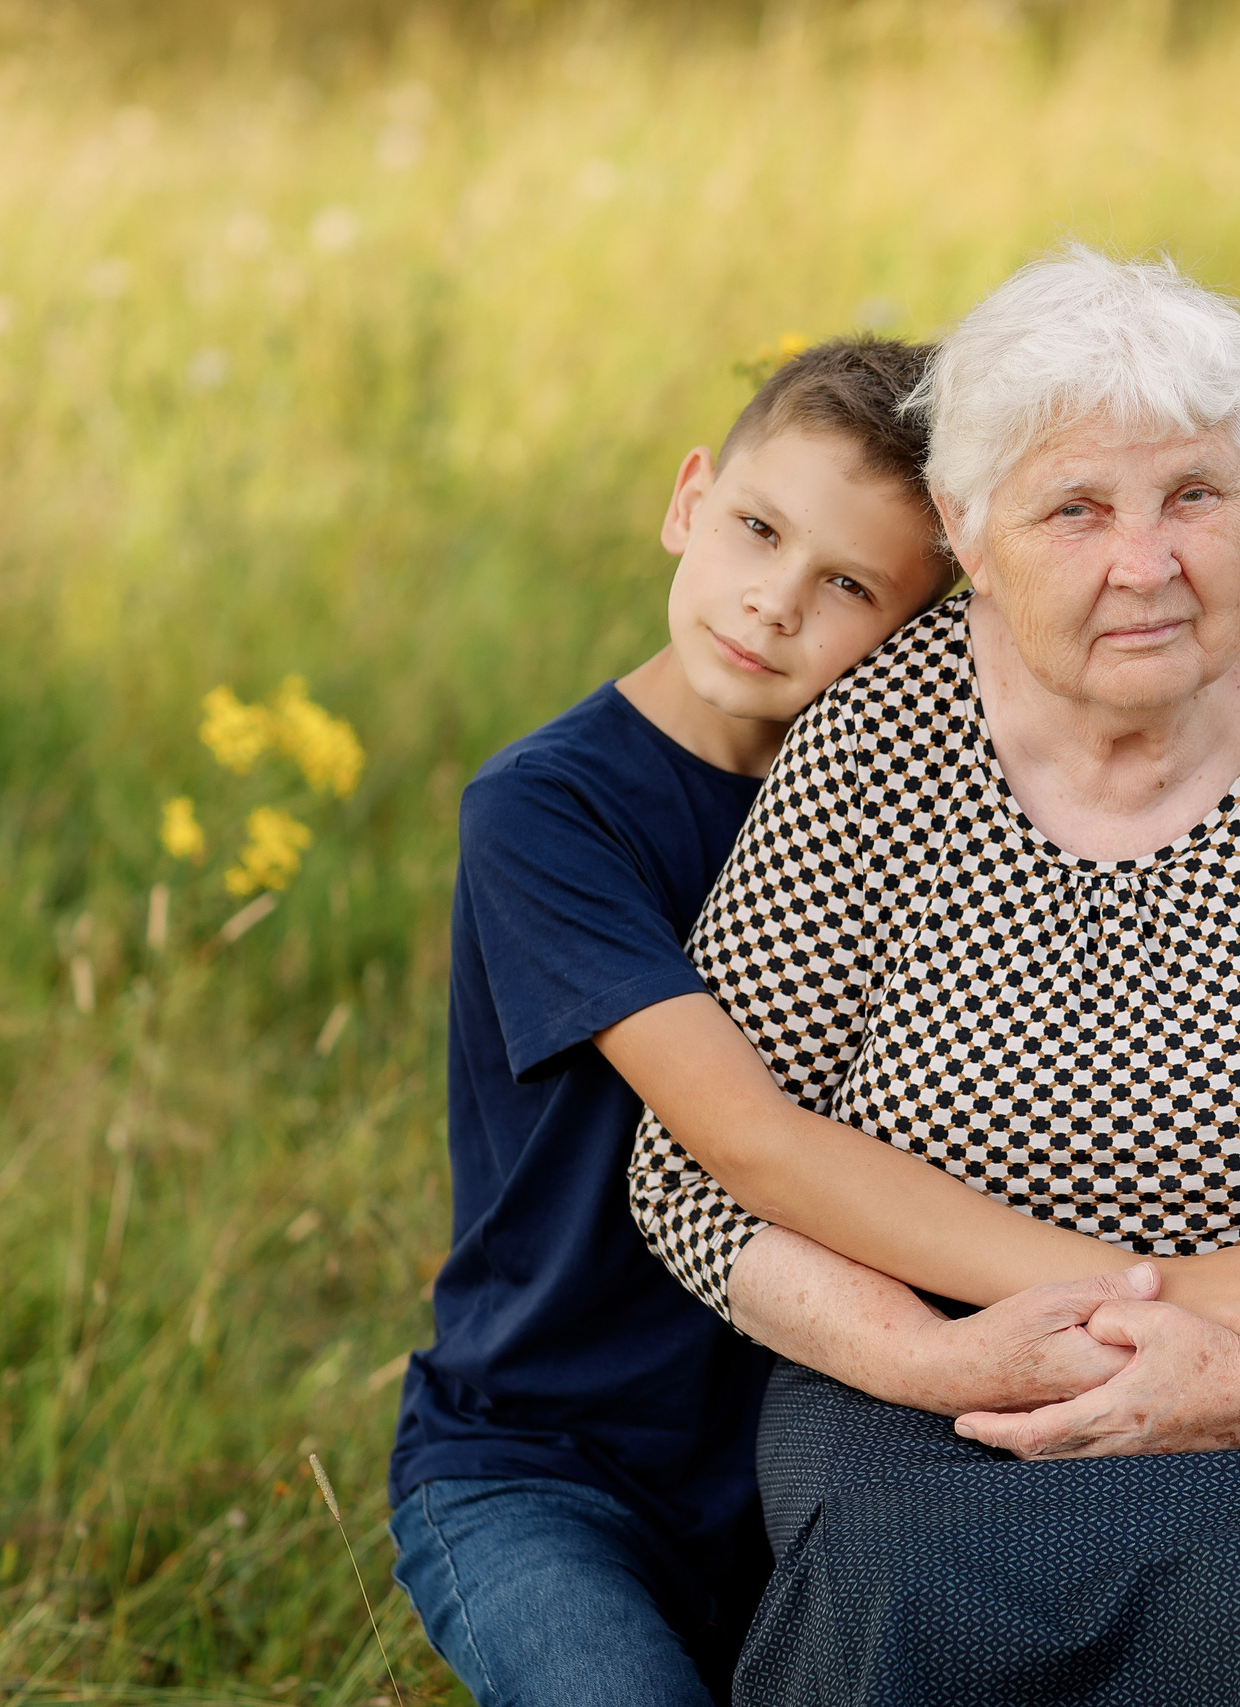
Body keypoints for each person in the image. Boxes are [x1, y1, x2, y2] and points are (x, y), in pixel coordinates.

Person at [623, 248, 1240, 1707]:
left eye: (1194, 499)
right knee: (902, 1582)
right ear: (965, 527)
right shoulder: (875, 741)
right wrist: (933, 1363)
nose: (1144, 564)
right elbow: (693, 1179)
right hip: (953, 1393)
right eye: (1074, 508)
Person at [385, 338, 969, 1707]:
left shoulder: (919, 814)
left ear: (928, 628)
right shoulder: (550, 808)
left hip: (811, 1451)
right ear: (689, 498)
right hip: (544, 1463)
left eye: (848, 586)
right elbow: (745, 1145)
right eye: (758, 531)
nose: (771, 604)